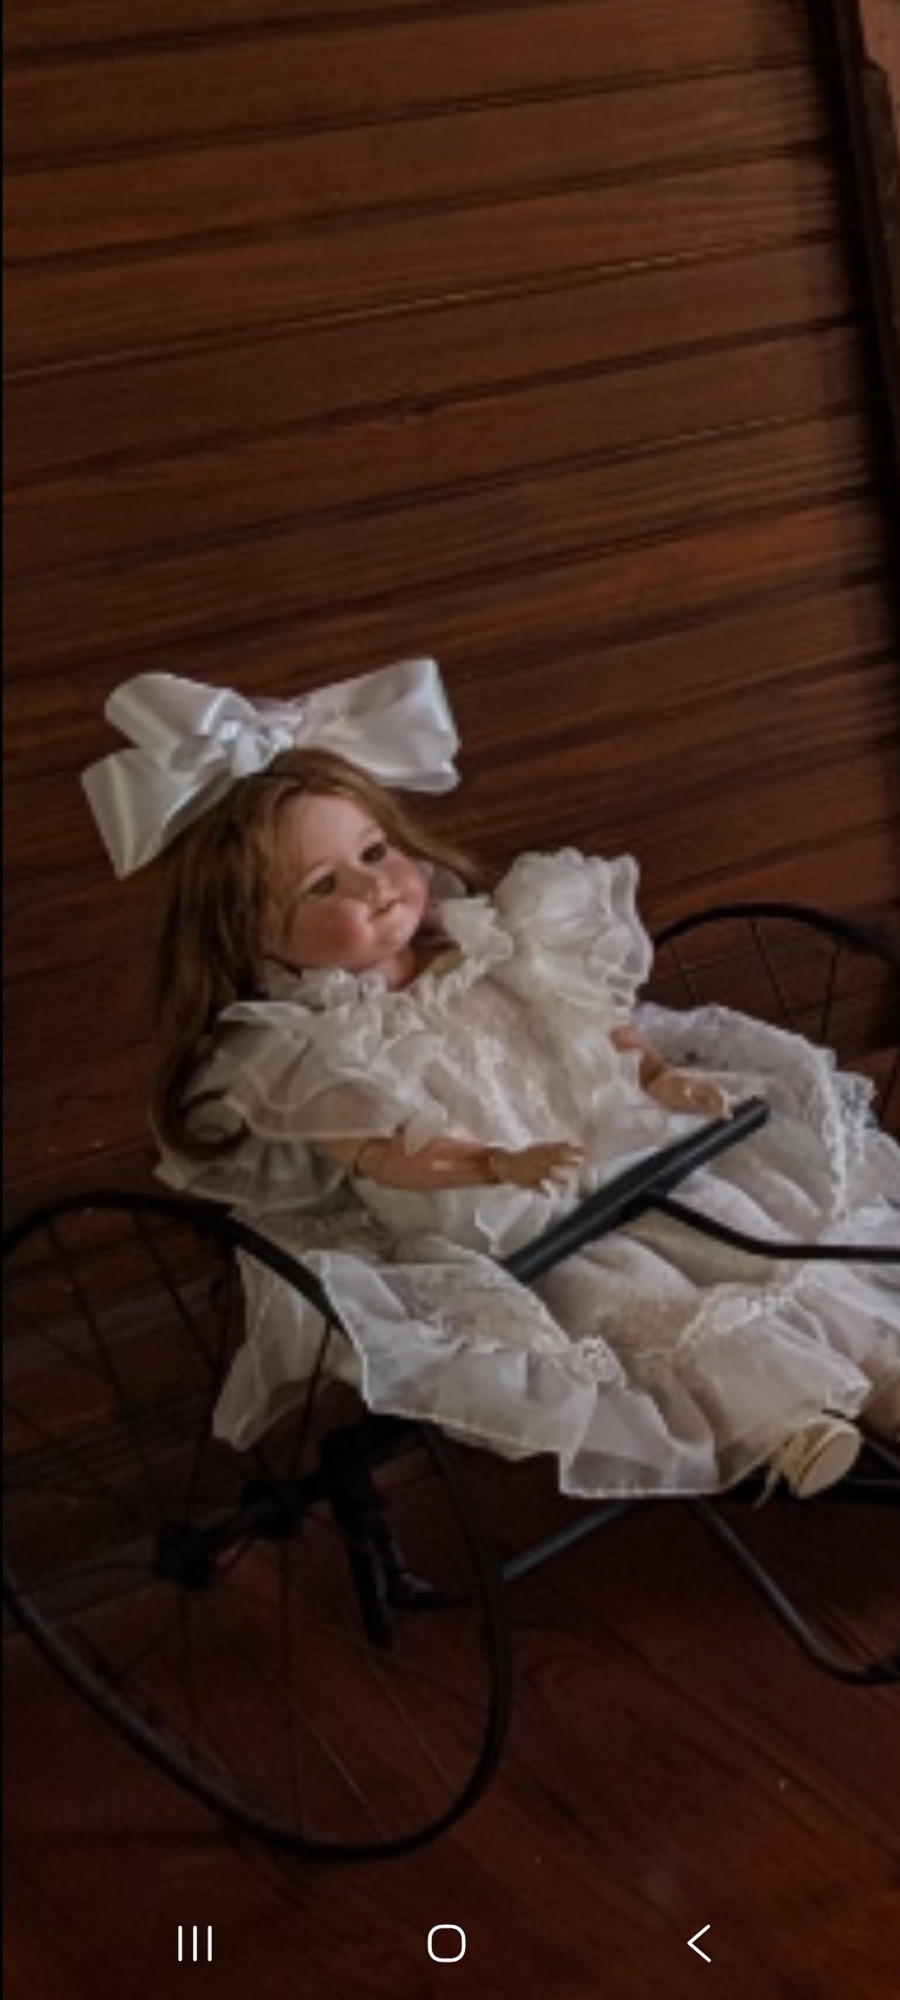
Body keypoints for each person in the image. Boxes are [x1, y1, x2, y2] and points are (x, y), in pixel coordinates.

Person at [82, 659, 900, 1500]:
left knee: (739, 1217)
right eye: (324, 886)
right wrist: (493, 1165)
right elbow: (383, 1155)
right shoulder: (310, 1049)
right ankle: (779, 1421)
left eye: (375, 851)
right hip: (509, 1220)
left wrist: (655, 1075)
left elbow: (587, 1024)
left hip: (608, 1148)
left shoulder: (489, 946)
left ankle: (878, 1359)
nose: (375, 886)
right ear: (247, 932)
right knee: (625, 1292)